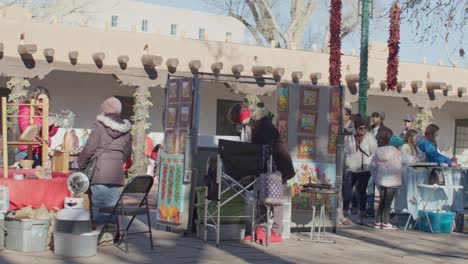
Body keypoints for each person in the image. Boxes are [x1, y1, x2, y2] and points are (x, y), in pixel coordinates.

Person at [77, 97, 132, 228]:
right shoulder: (126, 129)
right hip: (117, 174)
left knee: (98, 205)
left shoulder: (99, 125)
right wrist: (118, 161)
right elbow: (128, 151)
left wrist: (80, 164)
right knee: (112, 206)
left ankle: (99, 233)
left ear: (104, 109)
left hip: (100, 171)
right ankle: (110, 234)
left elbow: (90, 147)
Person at [369, 136, 408, 230]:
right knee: (388, 203)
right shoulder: (398, 153)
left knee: (382, 201)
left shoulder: (379, 152)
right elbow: (409, 160)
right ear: (397, 145)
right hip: (393, 181)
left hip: (381, 180)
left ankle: (378, 221)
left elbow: (372, 165)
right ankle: (386, 222)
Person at [344, 116, 378, 224]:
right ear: (356, 128)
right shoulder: (350, 137)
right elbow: (346, 150)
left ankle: (362, 213)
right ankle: (344, 212)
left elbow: (374, 152)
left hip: (365, 168)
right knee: (347, 189)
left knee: (362, 191)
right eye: (360, 128)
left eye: (364, 128)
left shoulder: (370, 137)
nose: (363, 130)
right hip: (351, 167)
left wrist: (368, 162)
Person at [16, 86, 59, 167]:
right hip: (27, 152)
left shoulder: (43, 112)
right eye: (40, 100)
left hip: (41, 151)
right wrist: (44, 124)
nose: (43, 102)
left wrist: (54, 126)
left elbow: (48, 134)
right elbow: (27, 130)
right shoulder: (26, 109)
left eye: (46, 100)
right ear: (34, 99)